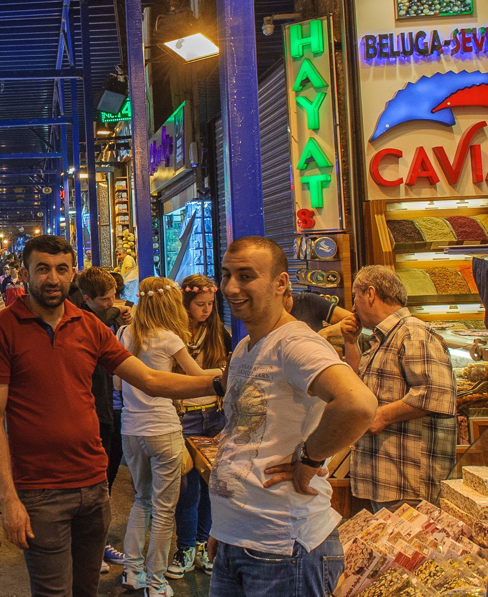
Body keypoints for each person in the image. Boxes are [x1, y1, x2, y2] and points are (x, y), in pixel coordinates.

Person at [0, 235, 221, 597]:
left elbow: (151, 380)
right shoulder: (1, 328)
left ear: (72, 273)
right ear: (25, 273)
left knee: (86, 589)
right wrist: (9, 498)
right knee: (53, 592)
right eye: (42, 269)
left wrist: (219, 383)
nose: (52, 278)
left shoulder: (88, 325)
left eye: (61, 269)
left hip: (93, 487)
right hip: (40, 490)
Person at [207, 237, 377, 597]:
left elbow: (358, 403)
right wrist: (224, 528)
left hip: (283, 549)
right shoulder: (245, 347)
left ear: (280, 283)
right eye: (226, 275)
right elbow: (244, 436)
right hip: (238, 539)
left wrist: (309, 457)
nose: (231, 287)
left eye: (246, 276)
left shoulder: (295, 344)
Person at [115, 277, 222, 597]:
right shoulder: (169, 338)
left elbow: (118, 386)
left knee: (141, 500)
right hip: (163, 430)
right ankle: (157, 581)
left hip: (131, 431)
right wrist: (224, 373)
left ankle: (133, 572)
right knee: (164, 509)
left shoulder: (125, 333)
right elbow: (199, 376)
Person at [343, 265, 457, 512]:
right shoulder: (383, 338)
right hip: (387, 479)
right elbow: (359, 389)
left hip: (409, 483)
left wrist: (381, 416)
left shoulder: (413, 332)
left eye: (355, 296)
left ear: (371, 294)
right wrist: (350, 343)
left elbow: (434, 393)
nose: (352, 307)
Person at [168, 273, 231, 580]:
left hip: (215, 415)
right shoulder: (174, 336)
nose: (206, 310)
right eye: (200, 304)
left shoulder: (221, 333)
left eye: (210, 304)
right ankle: (184, 547)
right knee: (188, 488)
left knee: (211, 486)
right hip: (186, 417)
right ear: (186, 304)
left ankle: (203, 544)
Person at [73, 266, 131, 573]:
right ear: (87, 299)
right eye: (105, 300)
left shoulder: (113, 317)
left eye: (114, 297)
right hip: (91, 408)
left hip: (111, 407)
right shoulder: (82, 321)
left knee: (105, 482)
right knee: (91, 485)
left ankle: (96, 543)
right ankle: (87, 549)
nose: (113, 304)